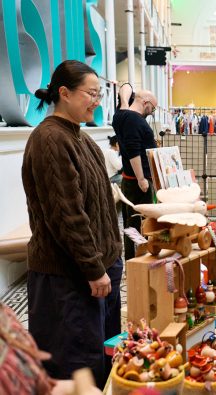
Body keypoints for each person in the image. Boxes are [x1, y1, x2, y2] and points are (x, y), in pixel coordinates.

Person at [22, 59, 123, 389]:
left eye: (99, 93)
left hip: (96, 274)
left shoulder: (80, 137)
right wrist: (94, 268)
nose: (97, 100)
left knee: (99, 359)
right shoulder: (50, 140)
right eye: (90, 93)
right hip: (69, 279)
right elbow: (67, 215)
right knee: (74, 368)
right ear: (64, 93)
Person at [112, 86, 158, 261]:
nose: (151, 113)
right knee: (141, 223)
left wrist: (125, 101)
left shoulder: (121, 115)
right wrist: (141, 178)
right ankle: (138, 262)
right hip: (139, 181)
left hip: (130, 180)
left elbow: (125, 87)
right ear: (145, 103)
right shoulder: (134, 119)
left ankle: (134, 261)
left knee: (131, 222)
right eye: (152, 108)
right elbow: (133, 150)